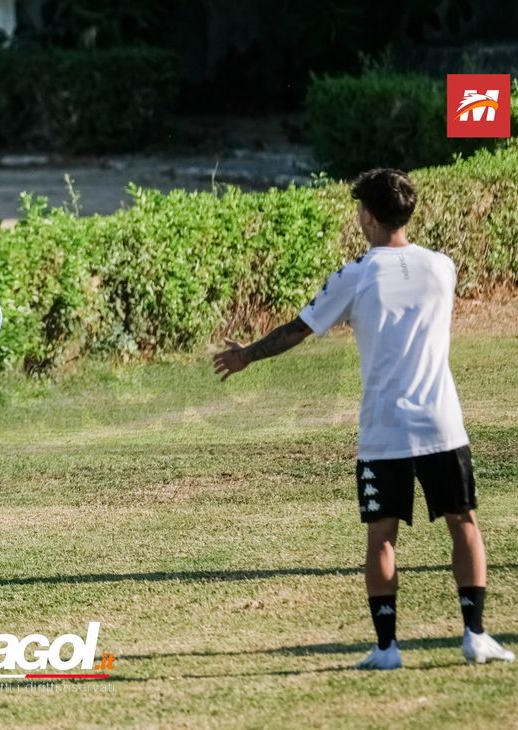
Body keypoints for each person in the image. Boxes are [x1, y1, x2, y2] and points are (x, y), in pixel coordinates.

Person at [213, 168, 513, 669]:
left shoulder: (355, 276)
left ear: (368, 217)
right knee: (465, 524)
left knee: (382, 535)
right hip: (442, 423)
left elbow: (298, 329)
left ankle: (386, 648)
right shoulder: (443, 267)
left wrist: (247, 355)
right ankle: (476, 635)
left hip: (384, 431)